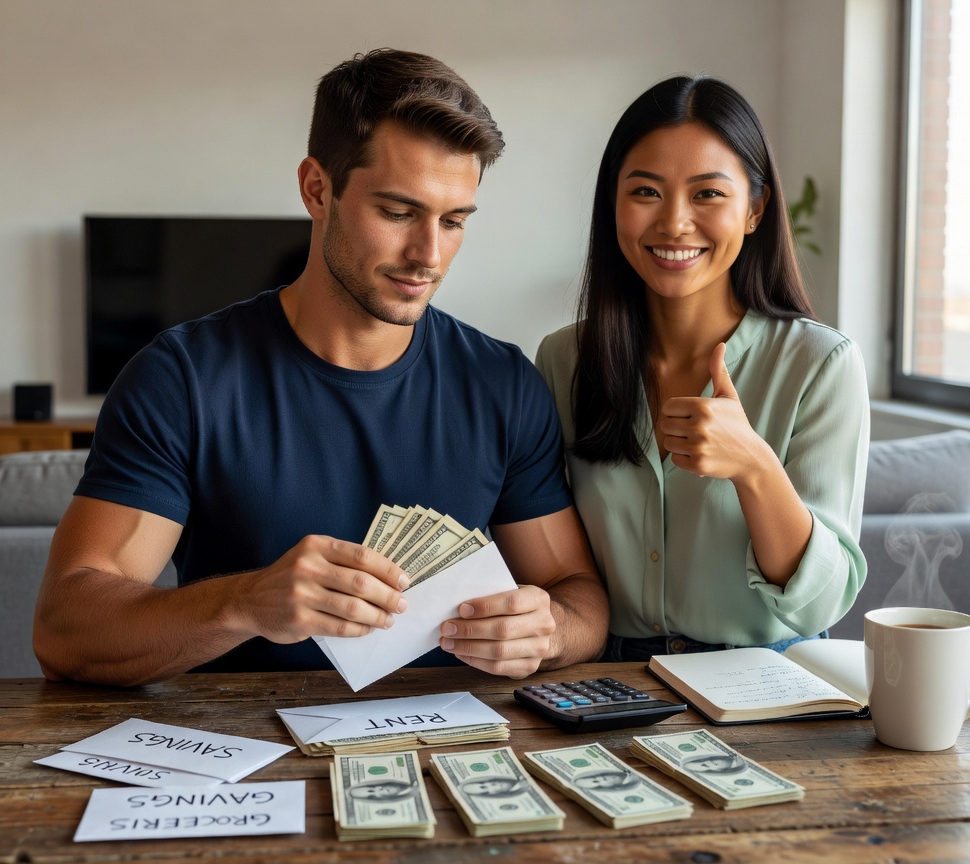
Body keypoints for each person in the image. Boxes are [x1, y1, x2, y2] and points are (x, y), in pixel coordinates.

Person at [33, 49, 608, 686]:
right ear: (316, 189)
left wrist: (548, 632)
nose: (429, 255)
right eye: (397, 212)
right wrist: (245, 603)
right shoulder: (181, 380)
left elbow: (578, 597)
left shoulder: (503, 384)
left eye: (453, 221)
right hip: (247, 755)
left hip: (452, 744)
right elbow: (66, 629)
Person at [535, 76, 867, 663]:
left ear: (755, 209)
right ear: (613, 203)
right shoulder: (564, 360)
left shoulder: (822, 365)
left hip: (768, 684)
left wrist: (755, 467)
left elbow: (821, 604)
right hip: (611, 682)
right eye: (646, 192)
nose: (674, 224)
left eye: (708, 194)